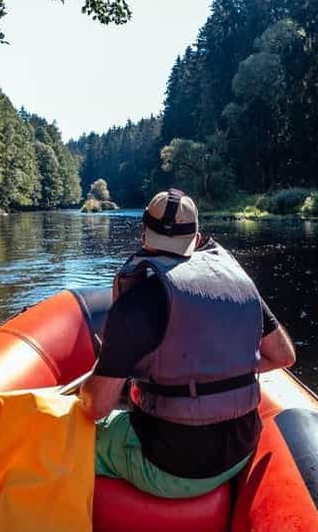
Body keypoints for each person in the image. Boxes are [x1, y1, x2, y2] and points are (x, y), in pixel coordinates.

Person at [79, 188, 296, 499]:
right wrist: (220, 377)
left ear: (144, 236)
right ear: (196, 238)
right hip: (241, 451)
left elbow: (97, 408)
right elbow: (284, 356)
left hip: (170, 468)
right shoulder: (238, 284)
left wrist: (87, 387)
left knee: (76, 433)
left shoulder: (135, 303)